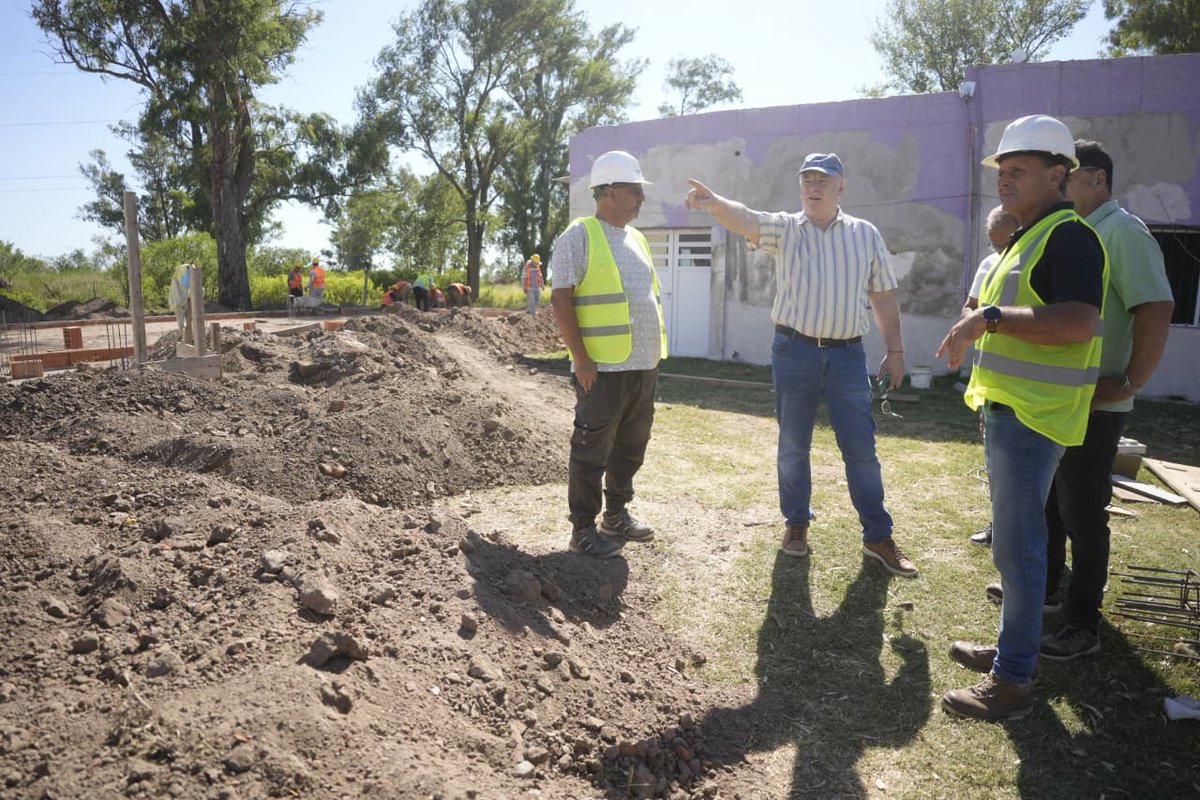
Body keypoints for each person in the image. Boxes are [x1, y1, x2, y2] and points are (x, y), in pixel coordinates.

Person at [936, 114, 1107, 721]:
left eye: (1019, 171)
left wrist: (988, 319)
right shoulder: (1029, 237)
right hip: (1014, 411)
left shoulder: (1069, 237)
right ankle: (1014, 651)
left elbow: (1078, 322)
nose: (1004, 180)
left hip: (1036, 416)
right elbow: (1011, 317)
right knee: (1016, 547)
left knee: (1022, 549)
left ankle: (1012, 682)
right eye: (1002, 171)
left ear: (1058, 175)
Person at [685, 152, 917, 579]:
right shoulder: (787, 229)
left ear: (840, 187)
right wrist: (716, 202)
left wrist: (895, 349)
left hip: (848, 356)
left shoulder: (865, 235)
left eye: (823, 180)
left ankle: (878, 536)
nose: (813, 186)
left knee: (861, 449)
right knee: (793, 446)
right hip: (794, 351)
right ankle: (796, 525)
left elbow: (882, 294)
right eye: (807, 179)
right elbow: (747, 218)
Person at [1034, 139, 1174, 660]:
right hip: (1062, 400)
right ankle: (1049, 590)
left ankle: (1082, 623)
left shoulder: (1124, 231)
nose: (1060, 185)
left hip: (1098, 402)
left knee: (1083, 513)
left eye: (1067, 176)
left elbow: (1156, 306)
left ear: (1098, 180)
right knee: (1050, 501)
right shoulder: (1078, 233)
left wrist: (1131, 382)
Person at [549, 150, 668, 558]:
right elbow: (561, 298)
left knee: (631, 445)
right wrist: (581, 359)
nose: (641, 199)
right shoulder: (579, 235)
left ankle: (615, 514)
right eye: (636, 191)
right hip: (602, 368)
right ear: (612, 191)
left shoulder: (636, 238)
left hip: (642, 365)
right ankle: (582, 528)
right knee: (591, 447)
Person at [964, 206, 1020, 548]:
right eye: (993, 245)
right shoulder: (988, 267)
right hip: (992, 381)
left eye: (1007, 244)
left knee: (1026, 471)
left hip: (1028, 386)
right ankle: (998, 526)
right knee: (996, 462)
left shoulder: (1033, 266)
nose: (1000, 252)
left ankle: (1022, 534)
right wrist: (968, 322)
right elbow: (970, 307)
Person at [169, 262, 195, 343]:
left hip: (183, 301)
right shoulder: (184, 274)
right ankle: (185, 337)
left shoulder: (180, 273)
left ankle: (188, 336)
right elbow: (189, 286)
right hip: (179, 302)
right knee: (182, 322)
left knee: (187, 320)